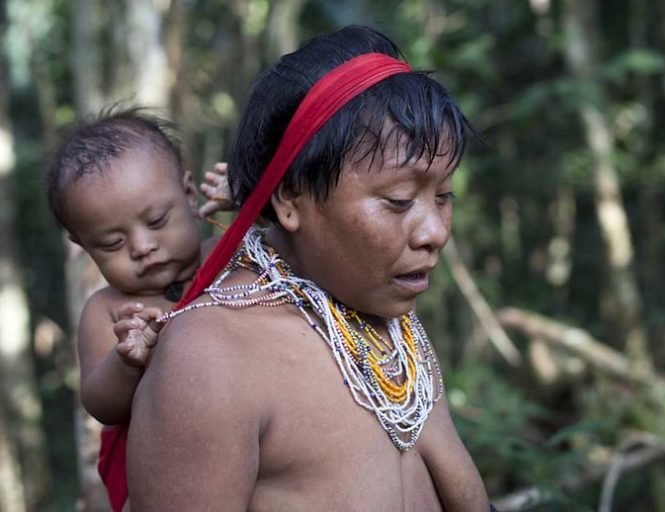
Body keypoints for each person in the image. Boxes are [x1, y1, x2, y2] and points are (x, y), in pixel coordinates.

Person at [127, 25, 492, 511]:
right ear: (290, 197)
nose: (436, 231)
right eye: (399, 200)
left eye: (443, 196)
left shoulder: (388, 325)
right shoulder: (211, 358)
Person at [46, 107, 231, 511]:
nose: (142, 247)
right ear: (84, 245)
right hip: (160, 466)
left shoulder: (230, 254)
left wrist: (255, 203)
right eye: (112, 244)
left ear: (189, 193)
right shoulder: (109, 310)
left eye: (158, 220)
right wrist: (125, 363)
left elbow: (295, 258)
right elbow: (98, 403)